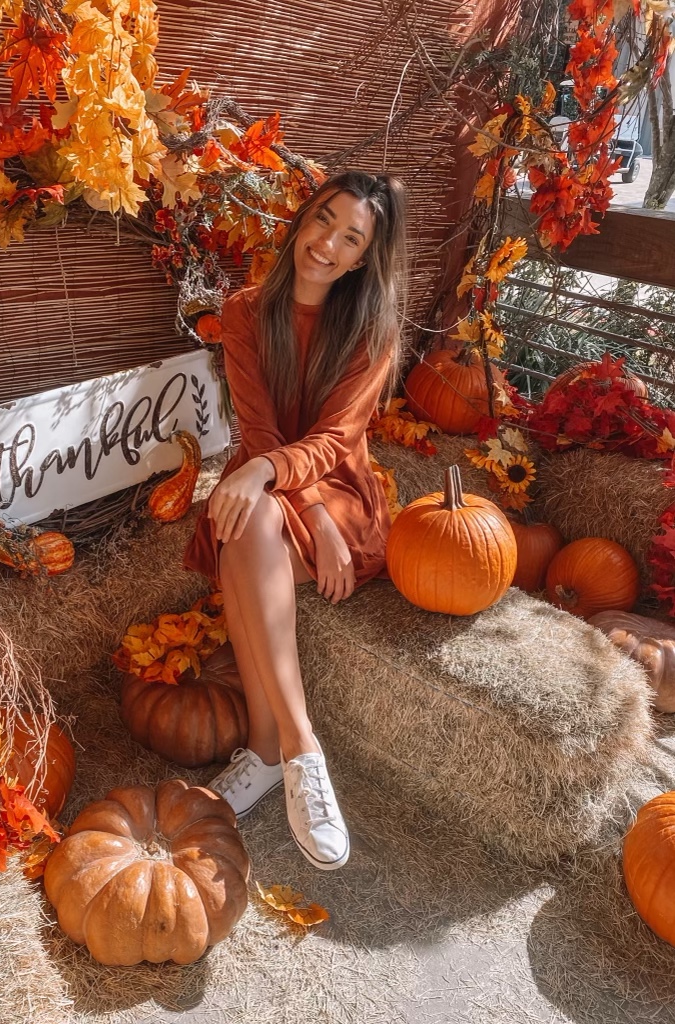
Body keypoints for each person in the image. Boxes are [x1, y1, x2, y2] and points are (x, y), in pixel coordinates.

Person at [184, 170, 408, 870]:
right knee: (249, 517)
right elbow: (258, 430)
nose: (327, 243)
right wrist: (296, 502)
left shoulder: (372, 332)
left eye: (351, 239)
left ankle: (271, 750)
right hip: (276, 481)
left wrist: (311, 505)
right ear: (302, 220)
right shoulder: (246, 311)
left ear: (363, 259)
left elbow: (337, 441)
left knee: (245, 520)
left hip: (339, 489)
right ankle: (297, 745)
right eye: (324, 220)